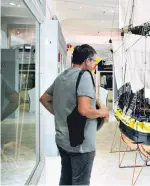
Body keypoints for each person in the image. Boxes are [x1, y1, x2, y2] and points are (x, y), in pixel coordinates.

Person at [39, 44, 109, 185]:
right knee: (80, 182)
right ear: (87, 61)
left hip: (62, 140)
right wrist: (103, 112)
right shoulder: (84, 76)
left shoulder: (62, 76)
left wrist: (60, 114)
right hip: (81, 145)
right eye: (94, 61)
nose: (94, 64)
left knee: (66, 178)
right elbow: (85, 110)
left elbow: (44, 99)